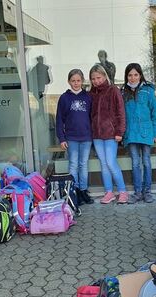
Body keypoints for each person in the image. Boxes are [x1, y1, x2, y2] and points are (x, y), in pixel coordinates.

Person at [121, 63, 156, 204]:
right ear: (126, 76)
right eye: (130, 75)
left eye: (135, 75)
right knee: (135, 163)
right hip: (131, 133)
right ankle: (137, 192)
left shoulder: (148, 91)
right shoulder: (123, 92)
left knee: (146, 162)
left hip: (146, 132)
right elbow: (120, 115)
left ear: (140, 75)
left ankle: (148, 192)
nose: (133, 78)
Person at [88, 64, 127, 204]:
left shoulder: (113, 90)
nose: (96, 81)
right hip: (97, 135)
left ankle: (123, 192)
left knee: (111, 162)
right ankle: (109, 192)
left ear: (104, 76)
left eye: (98, 77)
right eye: (93, 79)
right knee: (103, 164)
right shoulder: (91, 93)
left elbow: (121, 113)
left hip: (111, 134)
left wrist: (119, 132)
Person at [56, 69, 94, 205]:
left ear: (82, 81)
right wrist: (62, 138)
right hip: (71, 137)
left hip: (86, 137)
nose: (76, 83)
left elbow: (92, 116)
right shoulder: (64, 98)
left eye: (78, 80)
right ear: (69, 82)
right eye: (73, 81)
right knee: (73, 164)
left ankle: (83, 190)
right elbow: (59, 119)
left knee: (83, 164)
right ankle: (74, 191)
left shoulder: (88, 97)